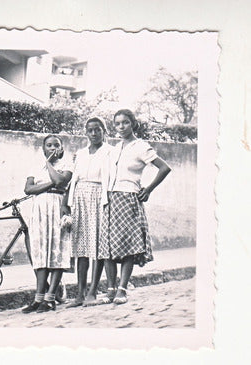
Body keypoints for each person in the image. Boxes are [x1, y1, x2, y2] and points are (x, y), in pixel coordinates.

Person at [98, 109, 171, 304]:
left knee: (127, 246)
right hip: (110, 200)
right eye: (117, 123)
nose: (121, 127)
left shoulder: (141, 147)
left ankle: (122, 289)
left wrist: (148, 189)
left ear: (133, 124)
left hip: (128, 199)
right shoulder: (114, 149)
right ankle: (110, 290)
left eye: (125, 123)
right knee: (107, 247)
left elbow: (165, 168)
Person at [63, 118, 111, 307]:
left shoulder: (110, 152)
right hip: (79, 198)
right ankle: (80, 293)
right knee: (80, 247)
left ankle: (93, 291)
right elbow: (73, 179)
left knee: (97, 245)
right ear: (86, 132)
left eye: (97, 130)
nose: (93, 133)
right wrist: (67, 202)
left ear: (104, 131)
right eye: (90, 130)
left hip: (99, 197)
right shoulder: (80, 154)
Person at [21, 135, 73, 313]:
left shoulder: (67, 165)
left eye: (56, 145)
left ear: (61, 148)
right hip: (40, 210)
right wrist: (52, 183)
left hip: (58, 208)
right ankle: (38, 298)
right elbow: (28, 189)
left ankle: (50, 298)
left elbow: (61, 181)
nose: (52, 148)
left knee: (57, 251)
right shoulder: (35, 167)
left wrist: (49, 165)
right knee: (40, 253)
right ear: (43, 149)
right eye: (49, 145)